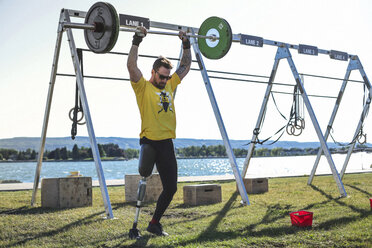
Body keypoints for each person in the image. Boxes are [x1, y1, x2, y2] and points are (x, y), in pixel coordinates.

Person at [127, 26, 191, 237]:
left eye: (167, 77)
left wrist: (186, 43)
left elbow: (186, 65)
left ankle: (154, 223)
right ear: (153, 72)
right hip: (149, 142)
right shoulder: (142, 87)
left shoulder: (171, 84)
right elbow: (131, 65)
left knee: (171, 188)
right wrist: (137, 39)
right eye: (161, 76)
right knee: (144, 176)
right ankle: (134, 225)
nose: (164, 80)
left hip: (166, 143)